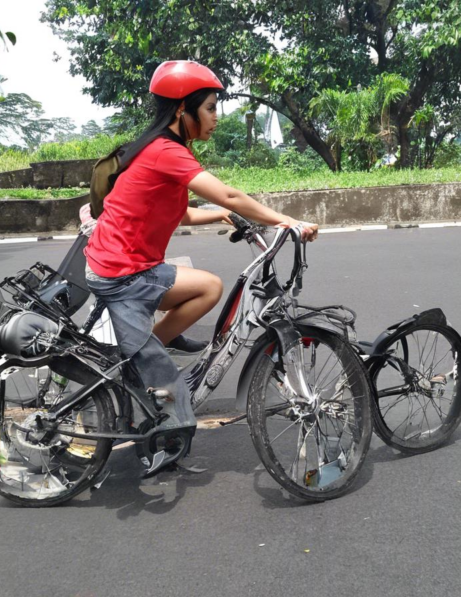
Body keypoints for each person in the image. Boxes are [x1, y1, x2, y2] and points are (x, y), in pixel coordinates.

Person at [84, 60, 318, 457]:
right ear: (182, 110)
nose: (214, 118)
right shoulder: (166, 152)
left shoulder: (164, 148)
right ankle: (140, 360)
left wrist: (224, 216)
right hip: (122, 272)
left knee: (201, 284)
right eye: (209, 108)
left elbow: (184, 212)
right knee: (209, 287)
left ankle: (139, 355)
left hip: (120, 262)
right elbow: (227, 193)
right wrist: (287, 221)